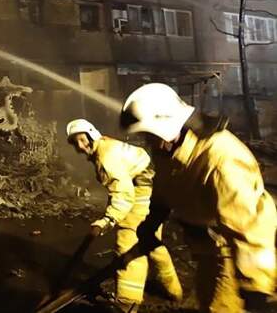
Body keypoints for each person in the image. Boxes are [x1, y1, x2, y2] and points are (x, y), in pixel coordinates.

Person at [120, 82, 276, 313]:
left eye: (148, 135)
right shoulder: (169, 149)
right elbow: (164, 186)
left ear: (166, 125)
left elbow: (249, 227)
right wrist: (152, 221)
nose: (146, 141)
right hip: (207, 249)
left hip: (232, 250)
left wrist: (256, 287)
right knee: (206, 301)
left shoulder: (221, 160)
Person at [65, 119, 183, 312]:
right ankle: (174, 290)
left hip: (143, 190)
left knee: (129, 240)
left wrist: (107, 220)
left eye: (82, 139)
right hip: (152, 188)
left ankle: (128, 302)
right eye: (75, 143)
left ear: (91, 134)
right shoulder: (104, 146)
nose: (80, 146)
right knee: (150, 241)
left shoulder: (106, 156)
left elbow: (123, 194)